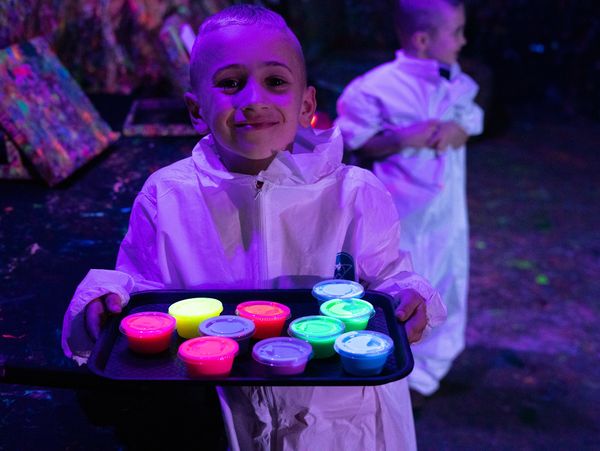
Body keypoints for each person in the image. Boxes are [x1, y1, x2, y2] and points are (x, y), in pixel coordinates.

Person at [61, 5, 446, 450]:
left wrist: (411, 298)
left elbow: (390, 281)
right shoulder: (167, 197)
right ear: (196, 110)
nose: (253, 100)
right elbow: (142, 293)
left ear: (306, 106)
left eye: (275, 82)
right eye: (229, 83)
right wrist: (106, 305)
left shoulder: (355, 194)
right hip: (216, 416)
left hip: (339, 420)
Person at [335, 0, 484, 397]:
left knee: (449, 275)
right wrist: (404, 137)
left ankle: (431, 368)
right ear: (422, 39)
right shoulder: (373, 89)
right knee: (402, 281)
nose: (462, 41)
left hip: (446, 209)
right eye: (455, 32)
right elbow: (351, 141)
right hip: (401, 210)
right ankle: (396, 365)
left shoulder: (453, 79)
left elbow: (469, 112)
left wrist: (460, 129)